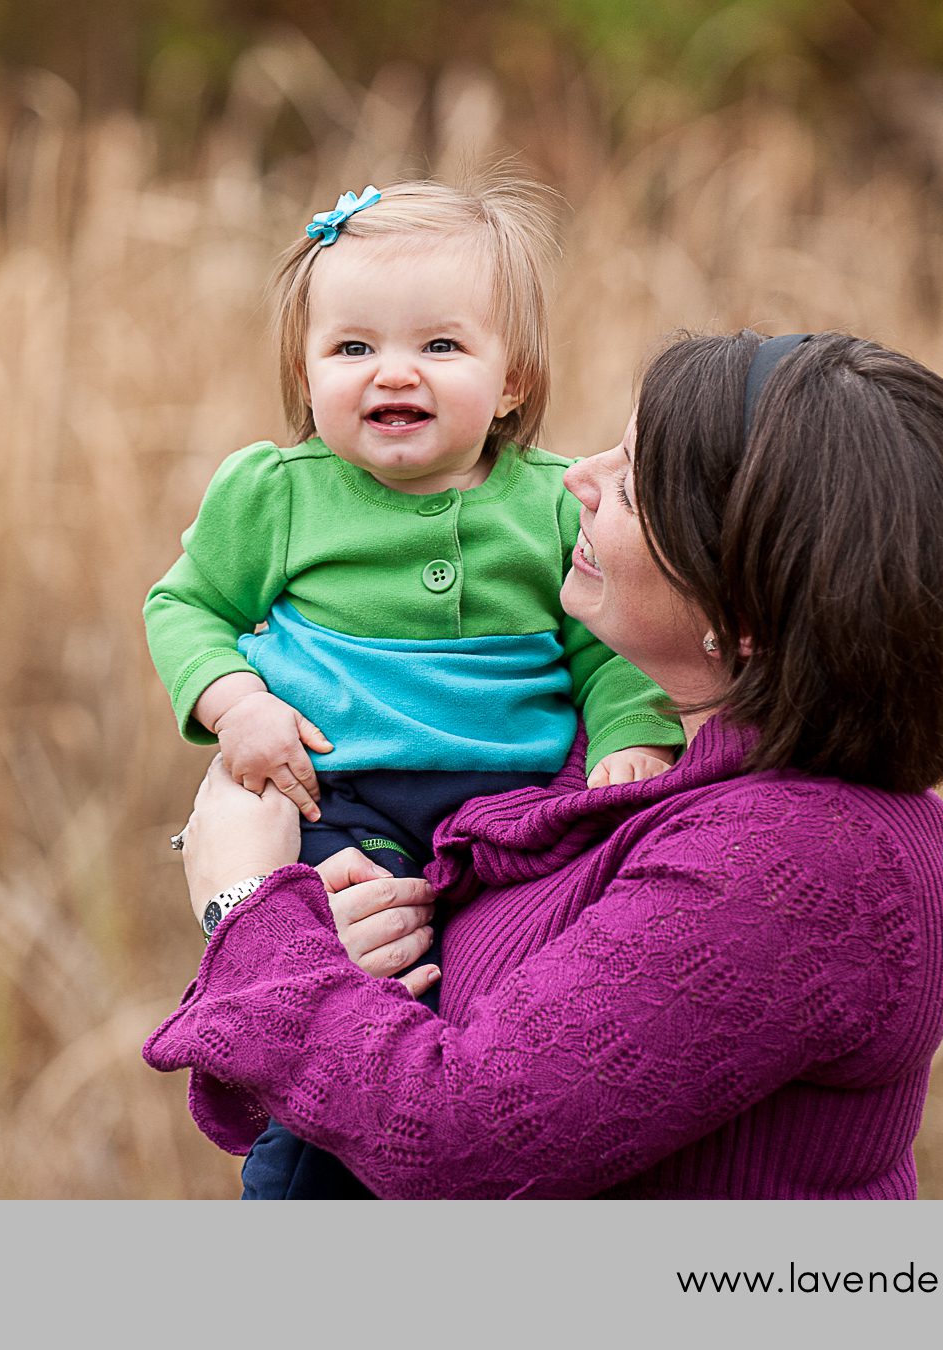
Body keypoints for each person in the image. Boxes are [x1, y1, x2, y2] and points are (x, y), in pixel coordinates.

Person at [146, 329, 943, 1198]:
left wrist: (244, 907)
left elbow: (458, 1140)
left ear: (742, 610)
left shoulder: (799, 863)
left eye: (632, 487)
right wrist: (335, 940)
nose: (574, 479)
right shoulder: (603, 750)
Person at [140, 178, 683, 1198]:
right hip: (339, 800)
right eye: (352, 349)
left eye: (439, 346)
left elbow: (606, 650)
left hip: (516, 813)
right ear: (306, 374)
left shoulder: (554, 502)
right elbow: (185, 609)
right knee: (354, 994)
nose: (393, 372)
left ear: (511, 380)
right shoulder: (275, 493)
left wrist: (632, 736)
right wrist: (238, 705)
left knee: (499, 1032)